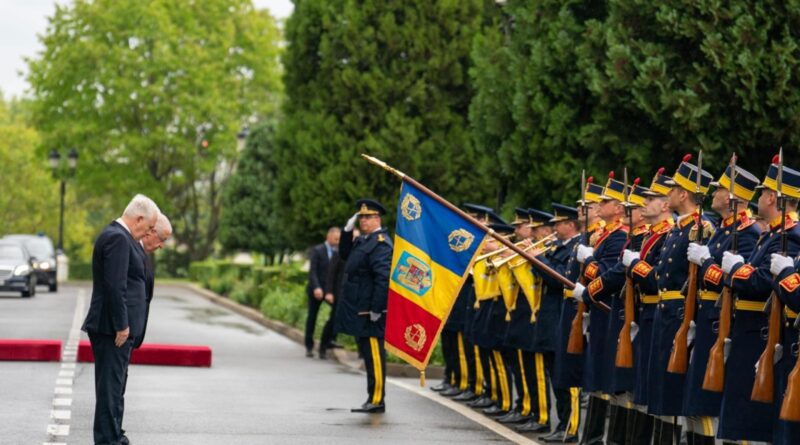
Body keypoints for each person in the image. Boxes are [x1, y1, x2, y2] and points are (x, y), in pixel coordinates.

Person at [718, 159, 800, 443]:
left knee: (759, 423)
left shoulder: (790, 236)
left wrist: (735, 270)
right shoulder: (774, 234)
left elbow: (763, 281)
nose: (759, 197)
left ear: (772, 197)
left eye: (764, 192)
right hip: (754, 329)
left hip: (766, 332)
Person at [682, 164, 760, 445]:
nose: (713, 194)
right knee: (694, 402)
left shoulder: (748, 232)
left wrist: (705, 262)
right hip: (705, 319)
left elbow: (736, 281)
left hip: (721, 322)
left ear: (730, 198)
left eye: (718, 190)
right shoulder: (723, 229)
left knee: (707, 403)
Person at [82, 194, 159, 445]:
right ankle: (107, 440)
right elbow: (115, 286)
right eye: (149, 227)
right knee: (109, 390)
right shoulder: (118, 238)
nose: (148, 233)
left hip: (114, 328)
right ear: (138, 219)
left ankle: (114, 436)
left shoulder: (122, 237)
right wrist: (122, 325)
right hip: (111, 329)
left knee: (115, 388)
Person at [572, 171, 630, 445]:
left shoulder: (618, 237)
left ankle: (598, 437)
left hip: (608, 309)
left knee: (606, 377)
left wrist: (589, 262)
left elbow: (606, 274)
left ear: (618, 208)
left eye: (605, 201)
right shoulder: (604, 235)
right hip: (598, 309)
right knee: (596, 376)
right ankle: (591, 437)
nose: (598, 205)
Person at [624, 168, 675, 444]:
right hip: (646, 312)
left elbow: (658, 279)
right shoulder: (651, 235)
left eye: (652, 198)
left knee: (657, 387)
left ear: (665, 204)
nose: (645, 202)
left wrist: (635, 265)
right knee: (644, 385)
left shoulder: (668, 234)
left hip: (659, 311)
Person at [336, 199, 393, 413]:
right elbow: (344, 254)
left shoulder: (381, 243)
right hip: (360, 308)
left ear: (378, 219)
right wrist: (347, 230)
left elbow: (382, 279)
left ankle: (377, 399)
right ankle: (372, 397)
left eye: (368, 217)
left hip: (371, 310)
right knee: (368, 355)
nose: (363, 221)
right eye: (361, 217)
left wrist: (377, 308)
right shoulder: (364, 240)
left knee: (375, 355)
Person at [305, 227, 341, 357]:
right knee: (312, 317)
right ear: (328, 237)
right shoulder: (318, 250)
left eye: (339, 239)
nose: (337, 241)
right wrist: (316, 287)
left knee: (336, 314)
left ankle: (328, 342)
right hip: (316, 289)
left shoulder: (339, 252)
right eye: (335, 239)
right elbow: (313, 271)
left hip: (330, 290)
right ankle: (309, 346)